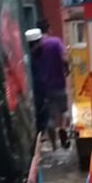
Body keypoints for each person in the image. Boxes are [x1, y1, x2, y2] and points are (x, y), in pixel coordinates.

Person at [27, 22, 70, 150]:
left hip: (43, 89)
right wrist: (67, 69)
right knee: (65, 111)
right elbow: (64, 59)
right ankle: (62, 128)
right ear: (48, 29)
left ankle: (53, 146)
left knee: (50, 117)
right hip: (59, 84)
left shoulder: (31, 50)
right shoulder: (55, 42)